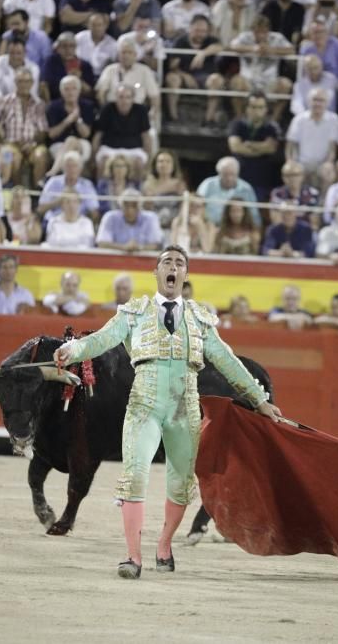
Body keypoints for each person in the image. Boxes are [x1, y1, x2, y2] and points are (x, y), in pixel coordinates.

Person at [53, 245, 281, 578]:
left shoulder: (200, 318)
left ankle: (164, 544)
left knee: (180, 483)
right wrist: (72, 349)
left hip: (183, 408)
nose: (173, 267)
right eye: (167, 262)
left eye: (179, 263)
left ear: (185, 275)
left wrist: (259, 399)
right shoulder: (134, 312)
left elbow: (228, 361)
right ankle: (133, 557)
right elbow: (102, 339)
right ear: (157, 272)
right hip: (144, 404)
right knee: (134, 476)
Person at [96, 188, 163, 252]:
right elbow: (101, 243)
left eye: (134, 205)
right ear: (120, 206)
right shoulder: (110, 217)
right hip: (115, 261)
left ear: (140, 206)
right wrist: (123, 247)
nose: (130, 210)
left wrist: (139, 248)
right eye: (126, 205)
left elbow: (156, 245)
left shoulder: (151, 218)